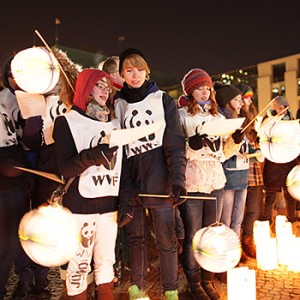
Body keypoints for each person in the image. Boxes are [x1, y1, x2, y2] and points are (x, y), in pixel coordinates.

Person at [114, 48, 187, 300]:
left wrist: (177, 180)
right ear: (122, 74)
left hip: (160, 181)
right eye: (129, 70)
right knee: (135, 238)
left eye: (139, 69)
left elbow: (175, 144)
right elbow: (119, 150)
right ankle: (137, 286)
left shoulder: (162, 100)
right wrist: (124, 187)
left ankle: (170, 289)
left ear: (147, 70)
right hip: (132, 183)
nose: (135, 75)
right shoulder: (117, 103)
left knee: (166, 241)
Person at [12, 47, 80, 300]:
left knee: (76, 221)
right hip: (46, 164)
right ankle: (50, 281)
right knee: (50, 220)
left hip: (73, 163)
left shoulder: (74, 96)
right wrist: (32, 128)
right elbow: (31, 141)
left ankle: (77, 282)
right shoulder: (34, 97)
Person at [53, 69, 120, 299]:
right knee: (79, 266)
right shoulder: (67, 122)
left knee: (106, 262)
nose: (105, 91)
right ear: (86, 88)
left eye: (107, 87)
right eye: (99, 85)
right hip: (81, 205)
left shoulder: (113, 124)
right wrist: (92, 156)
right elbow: (65, 168)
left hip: (109, 204)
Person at [177, 68, 228, 300]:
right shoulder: (182, 116)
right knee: (193, 234)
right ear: (190, 90)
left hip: (215, 180)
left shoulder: (219, 117)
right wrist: (191, 145)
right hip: (194, 180)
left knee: (211, 232)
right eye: (199, 87)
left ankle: (208, 280)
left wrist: (234, 142)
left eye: (207, 87)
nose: (204, 91)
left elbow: (225, 153)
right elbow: (175, 151)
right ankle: (194, 282)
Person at [0, 56, 32, 300]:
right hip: (8, 178)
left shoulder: (31, 100)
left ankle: (27, 281)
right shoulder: (3, 99)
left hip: (23, 176)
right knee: (8, 239)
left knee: (19, 235)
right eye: (12, 73)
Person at [215, 84, 252, 238]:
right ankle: (225, 254)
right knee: (225, 220)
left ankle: (236, 252)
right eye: (237, 100)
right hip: (228, 177)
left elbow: (246, 146)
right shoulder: (222, 121)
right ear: (227, 102)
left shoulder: (242, 120)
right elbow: (222, 150)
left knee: (238, 220)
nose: (241, 103)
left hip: (242, 175)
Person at [235, 83, 264, 259]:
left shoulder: (254, 115)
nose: (249, 100)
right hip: (241, 164)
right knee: (239, 209)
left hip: (254, 165)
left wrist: (258, 137)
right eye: (246, 96)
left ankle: (248, 238)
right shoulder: (237, 116)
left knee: (254, 207)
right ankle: (238, 243)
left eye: (250, 97)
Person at [262, 96, 298, 226]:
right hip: (273, 162)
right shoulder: (269, 121)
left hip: (289, 162)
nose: (281, 111)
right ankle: (267, 223)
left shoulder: (293, 121)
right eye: (278, 108)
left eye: (282, 108)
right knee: (270, 196)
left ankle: (292, 221)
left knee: (289, 195)